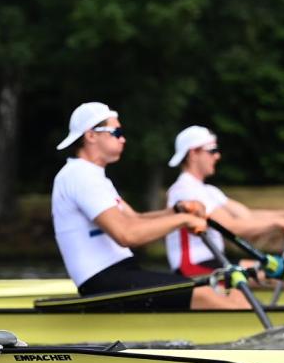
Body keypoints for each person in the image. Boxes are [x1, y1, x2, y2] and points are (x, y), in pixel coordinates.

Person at [50, 102, 249, 309]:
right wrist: (183, 219)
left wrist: (176, 210)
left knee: (226, 294)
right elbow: (127, 235)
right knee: (211, 295)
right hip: (104, 282)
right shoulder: (80, 176)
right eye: (116, 132)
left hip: (121, 275)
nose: (123, 139)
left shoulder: (93, 176)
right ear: (91, 135)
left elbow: (135, 219)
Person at [164, 125, 284, 277]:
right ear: (193, 154)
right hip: (193, 267)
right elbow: (230, 226)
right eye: (212, 150)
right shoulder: (184, 190)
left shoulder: (208, 190)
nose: (217, 156)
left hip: (215, 262)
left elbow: (246, 215)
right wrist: (276, 223)